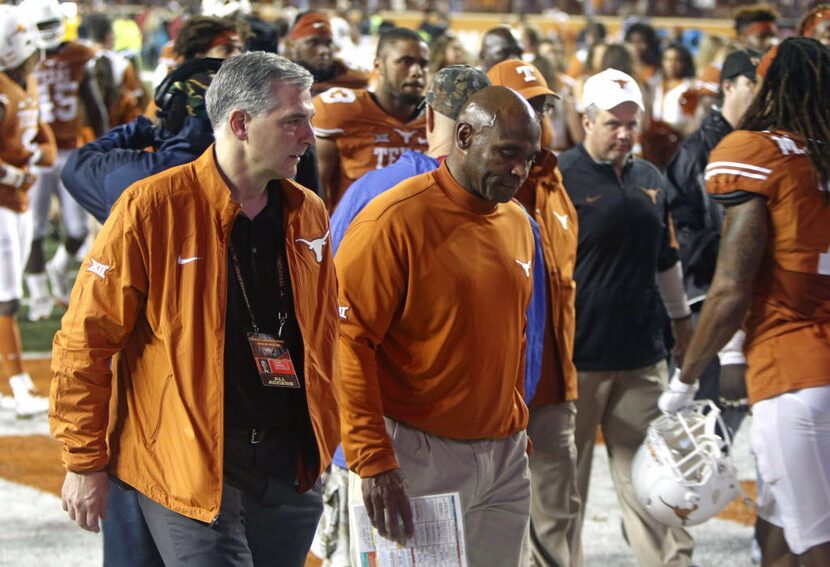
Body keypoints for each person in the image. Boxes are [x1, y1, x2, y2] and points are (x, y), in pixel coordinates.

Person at [50, 52, 340, 567]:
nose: (309, 136)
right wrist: (83, 460)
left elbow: (324, 341)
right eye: (294, 120)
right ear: (240, 124)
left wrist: (326, 445)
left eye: (309, 120)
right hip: (192, 459)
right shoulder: (151, 207)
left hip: (288, 465)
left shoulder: (307, 211)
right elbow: (85, 341)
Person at [336, 86, 541, 566]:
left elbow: (512, 334)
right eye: (508, 153)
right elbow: (346, 343)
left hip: (503, 457)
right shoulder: (391, 220)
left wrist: (513, 421)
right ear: (464, 136)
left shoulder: (516, 222)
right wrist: (372, 459)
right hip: (414, 456)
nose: (519, 170)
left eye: (529, 158)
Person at [313, 64, 496, 567]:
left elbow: (332, 321)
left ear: (429, 114)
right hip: (486, 440)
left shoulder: (374, 193)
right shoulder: (507, 204)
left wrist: (351, 451)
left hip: (385, 439)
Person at [658, 37, 830, 567]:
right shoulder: (818, 154)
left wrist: (686, 379)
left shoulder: (759, 152)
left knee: (815, 543)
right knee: (778, 523)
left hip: (795, 368)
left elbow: (732, 285)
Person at [559, 68, 695, 567]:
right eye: (613, 123)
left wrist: (681, 324)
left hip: (641, 354)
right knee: (561, 492)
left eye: (631, 124)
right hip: (577, 358)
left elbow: (667, 258)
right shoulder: (556, 178)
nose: (624, 133)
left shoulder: (650, 178)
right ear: (586, 120)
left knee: (653, 481)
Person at [487, 59, 582, 567]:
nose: (537, 118)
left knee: (555, 520)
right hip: (493, 393)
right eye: (526, 106)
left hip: (552, 388)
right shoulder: (477, 191)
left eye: (542, 107)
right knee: (492, 526)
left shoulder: (554, 177)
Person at [666, 48, 760, 434]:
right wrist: (742, 247)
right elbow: (678, 235)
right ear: (728, 87)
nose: (761, 94)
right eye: (753, 85)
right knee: (706, 431)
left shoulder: (765, 145)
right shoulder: (695, 152)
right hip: (711, 301)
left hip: (755, 301)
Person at [21, 0, 108, 318]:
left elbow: (93, 101)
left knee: (76, 230)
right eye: (40, 27)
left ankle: (58, 267)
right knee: (35, 227)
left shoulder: (79, 54)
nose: (46, 33)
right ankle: (40, 293)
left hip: (71, 149)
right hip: (37, 152)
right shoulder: (24, 57)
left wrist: (103, 143)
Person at [0, 5, 57, 418]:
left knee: (8, 290)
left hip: (18, 200)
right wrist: (13, 173)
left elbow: (42, 133)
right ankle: (19, 385)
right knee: (8, 299)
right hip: (3, 200)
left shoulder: (28, 83)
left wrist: (42, 153)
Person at [313, 27, 429, 210]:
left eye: (423, 64)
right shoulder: (344, 111)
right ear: (378, 65)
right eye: (406, 62)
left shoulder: (438, 120)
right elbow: (312, 193)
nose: (417, 72)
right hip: (355, 231)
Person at [84, 13, 148, 128]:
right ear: (109, 35)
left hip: (85, 133)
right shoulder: (122, 64)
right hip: (114, 133)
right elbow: (133, 103)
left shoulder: (81, 61)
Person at [285, 11, 369, 97]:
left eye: (328, 43)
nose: (324, 50)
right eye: (313, 43)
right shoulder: (281, 82)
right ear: (293, 46)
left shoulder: (355, 81)